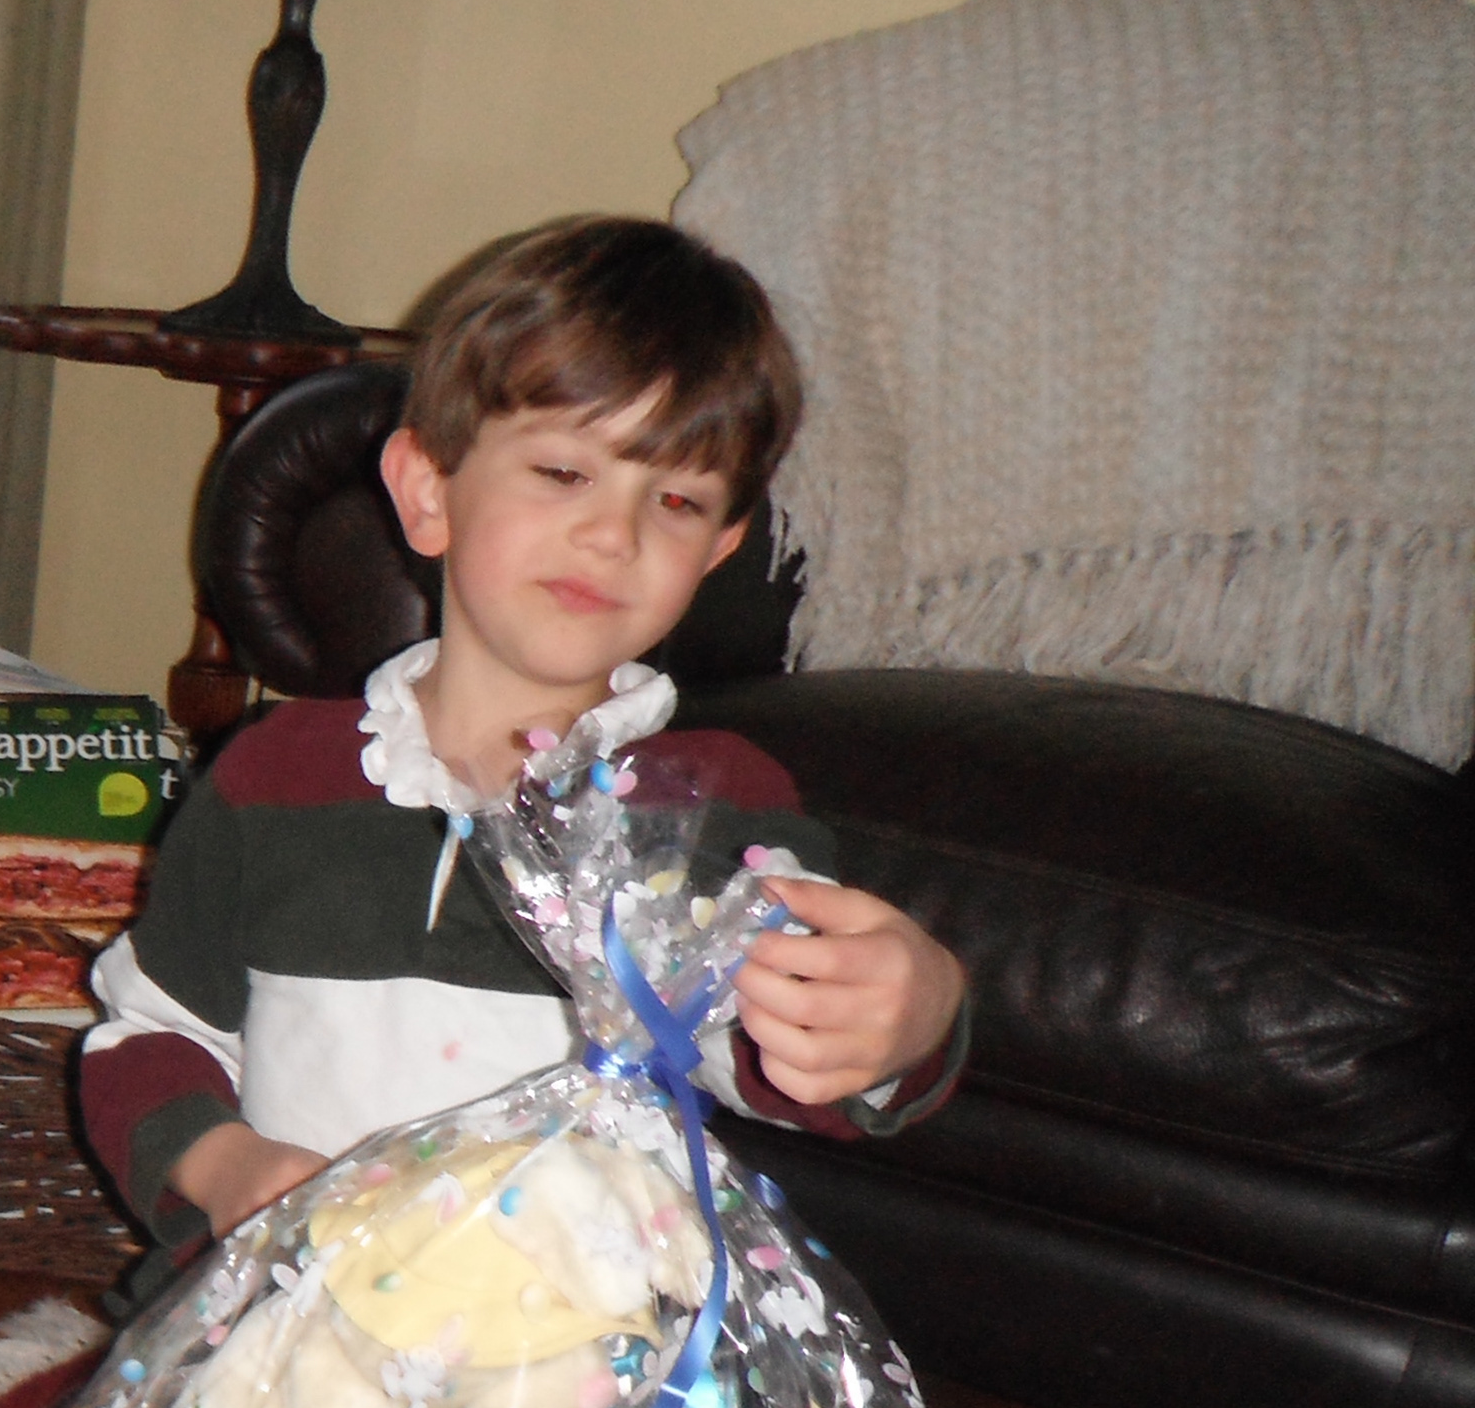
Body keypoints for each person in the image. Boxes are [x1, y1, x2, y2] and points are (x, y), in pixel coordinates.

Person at [81, 215, 971, 1273]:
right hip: (281, 1320)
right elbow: (147, 1037)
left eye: (676, 500)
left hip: (569, 1346)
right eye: (562, 472)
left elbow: (787, 1057)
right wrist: (228, 1169)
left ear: (717, 551)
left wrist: (909, 1018)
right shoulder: (273, 775)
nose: (615, 534)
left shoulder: (715, 813)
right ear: (429, 491)